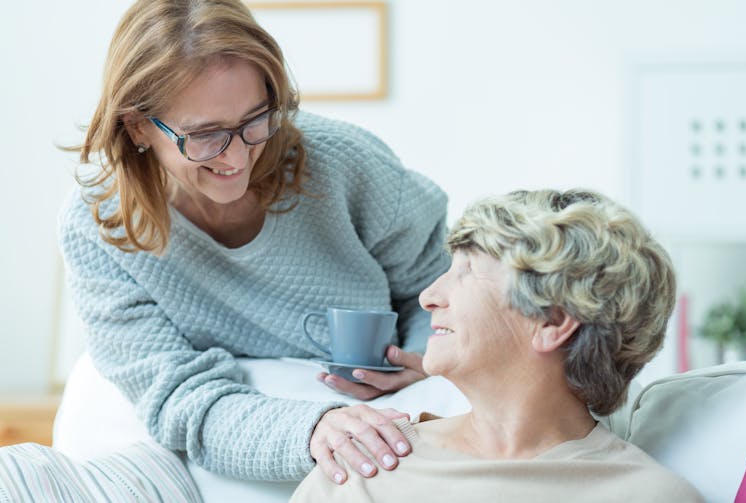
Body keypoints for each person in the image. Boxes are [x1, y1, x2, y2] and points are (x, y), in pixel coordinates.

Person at [57, 0, 449, 484]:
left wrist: (425, 358)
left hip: (389, 411)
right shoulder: (100, 227)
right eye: (205, 135)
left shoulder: (342, 162)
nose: (237, 156)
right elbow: (180, 399)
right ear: (138, 125)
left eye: (256, 119)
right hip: (254, 431)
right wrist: (313, 426)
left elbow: (439, 285)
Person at [291, 189, 704, 502]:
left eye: (467, 270)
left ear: (552, 321)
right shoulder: (365, 463)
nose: (428, 297)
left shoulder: (649, 495)